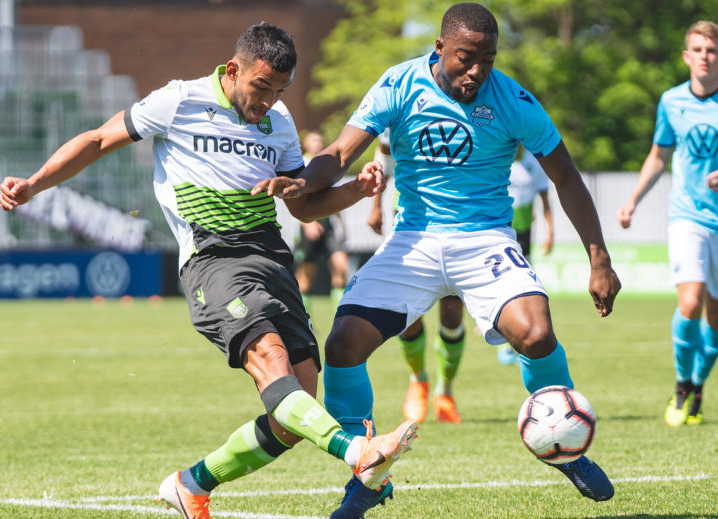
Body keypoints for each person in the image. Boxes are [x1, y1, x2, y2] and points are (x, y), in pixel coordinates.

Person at [0, 22, 418, 519]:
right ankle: (357, 453)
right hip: (213, 259)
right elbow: (97, 140)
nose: (268, 100)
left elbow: (302, 206)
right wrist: (34, 185)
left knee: (297, 411)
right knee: (271, 358)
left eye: (279, 91)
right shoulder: (179, 101)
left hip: (272, 259)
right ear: (233, 69)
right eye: (261, 87)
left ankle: (190, 484)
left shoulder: (279, 121)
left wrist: (354, 191)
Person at [257, 4, 621, 516]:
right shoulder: (399, 85)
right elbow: (341, 153)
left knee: (536, 333)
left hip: (486, 241)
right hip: (414, 241)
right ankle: (369, 474)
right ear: (440, 49)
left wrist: (598, 259)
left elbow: (566, 177)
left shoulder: (514, 99)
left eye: (487, 60)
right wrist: (304, 182)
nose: (476, 71)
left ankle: (563, 448)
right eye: (465, 59)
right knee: (341, 347)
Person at [616, 20, 718, 427]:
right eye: (698, 49)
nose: (705, 57)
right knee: (689, 302)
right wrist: (632, 200)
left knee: (715, 321)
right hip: (688, 215)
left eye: (711, 50)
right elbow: (659, 156)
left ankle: (697, 385)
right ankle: (680, 384)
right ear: (686, 56)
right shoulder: (671, 101)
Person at [369, 133, 467, 424]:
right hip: (408, 221)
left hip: (455, 220)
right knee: (406, 313)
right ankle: (418, 381)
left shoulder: (466, 100)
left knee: (452, 315)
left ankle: (445, 391)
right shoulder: (403, 98)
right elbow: (383, 153)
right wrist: (376, 205)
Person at [497, 145, 555, 365]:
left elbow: (544, 198)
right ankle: (503, 338)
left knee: (520, 286)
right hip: (500, 230)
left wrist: (550, 231)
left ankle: (514, 342)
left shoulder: (533, 162)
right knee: (502, 284)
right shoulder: (499, 154)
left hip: (524, 234)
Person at [295, 130, 349, 310]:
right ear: (306, 144)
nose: (317, 144)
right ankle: (304, 320)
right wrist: (308, 223)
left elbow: (331, 196)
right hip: (308, 224)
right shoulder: (300, 163)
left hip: (328, 225)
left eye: (320, 141)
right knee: (305, 279)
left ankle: (339, 319)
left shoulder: (326, 164)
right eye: (313, 141)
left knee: (341, 267)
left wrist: (342, 225)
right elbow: (295, 198)